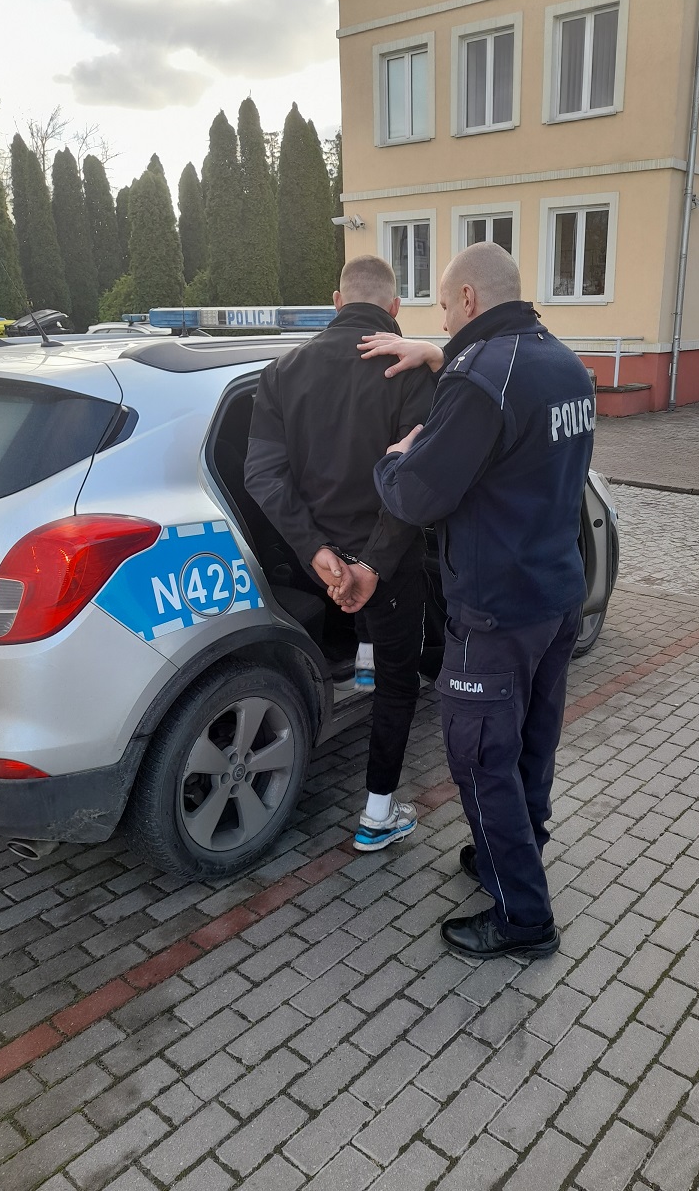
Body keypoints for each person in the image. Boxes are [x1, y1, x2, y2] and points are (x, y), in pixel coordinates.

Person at [364, 241, 595, 960]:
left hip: (495, 610)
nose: (442, 319)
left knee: (480, 760)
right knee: (530, 746)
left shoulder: (478, 380)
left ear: (467, 299)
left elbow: (417, 495)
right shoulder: (566, 365)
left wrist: (395, 458)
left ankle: (524, 919)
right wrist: (441, 359)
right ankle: (511, 852)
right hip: (555, 596)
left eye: (443, 306)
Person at [245, 255, 434, 851]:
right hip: (390, 559)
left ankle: (363, 663)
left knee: (362, 625)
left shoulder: (282, 370)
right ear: (394, 307)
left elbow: (262, 474)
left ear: (336, 300)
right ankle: (378, 814)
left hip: (319, 561)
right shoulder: (407, 367)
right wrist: (372, 562)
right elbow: (417, 478)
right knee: (400, 686)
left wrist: (316, 551)